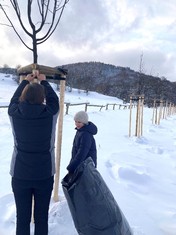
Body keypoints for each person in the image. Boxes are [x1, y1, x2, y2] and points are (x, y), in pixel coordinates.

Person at [8, 71, 59, 235]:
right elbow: (54, 101)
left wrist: (24, 82)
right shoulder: (50, 114)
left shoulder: (14, 114)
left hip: (20, 174)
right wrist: (44, 82)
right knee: (41, 217)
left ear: (23, 96)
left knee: (22, 218)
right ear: (42, 98)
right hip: (44, 174)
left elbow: (13, 102)